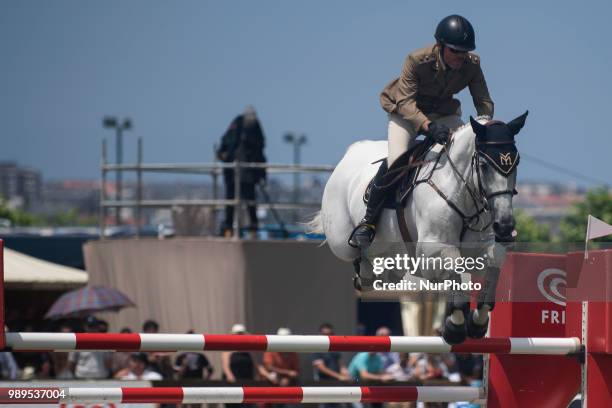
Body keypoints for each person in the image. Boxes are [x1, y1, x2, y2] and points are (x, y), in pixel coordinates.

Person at [349, 15, 494, 249]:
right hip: (405, 113)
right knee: (396, 161)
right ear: (441, 46)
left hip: (443, 113)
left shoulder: (471, 64)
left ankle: (480, 219)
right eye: (455, 51)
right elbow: (406, 102)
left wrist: (486, 124)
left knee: (467, 154)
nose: (460, 57)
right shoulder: (417, 60)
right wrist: (427, 127)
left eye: (464, 52)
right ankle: (369, 222)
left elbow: (483, 100)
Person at [216, 106, 267, 237]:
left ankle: (253, 230)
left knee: (251, 202)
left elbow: (259, 149)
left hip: (249, 172)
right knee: (231, 201)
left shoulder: (255, 127)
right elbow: (226, 142)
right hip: (233, 172)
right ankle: (229, 228)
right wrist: (224, 154)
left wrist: (260, 172)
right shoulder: (237, 123)